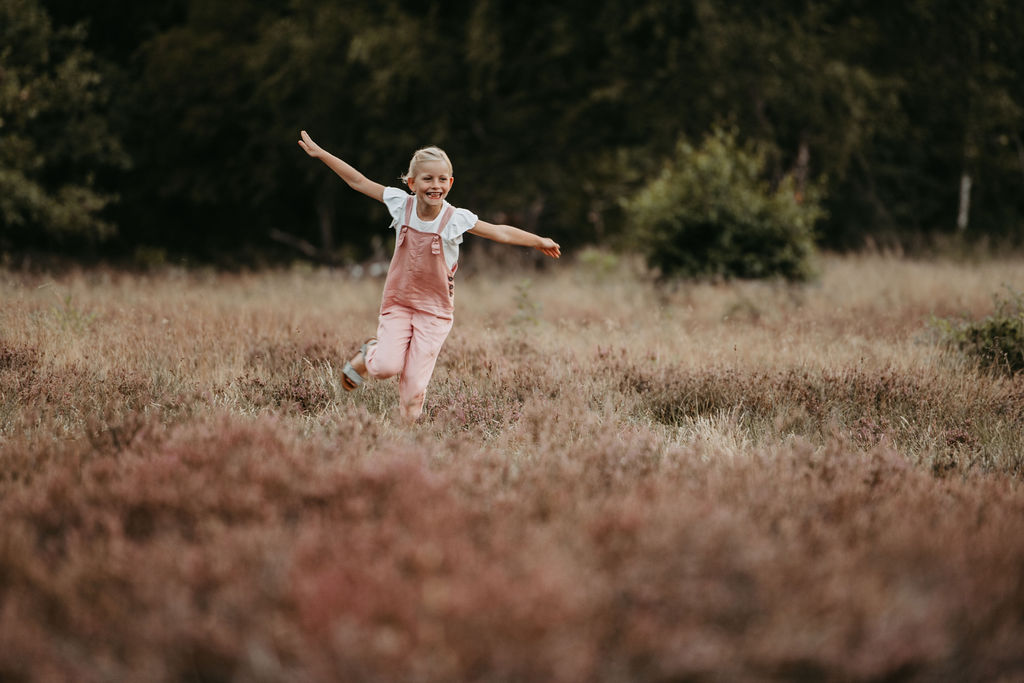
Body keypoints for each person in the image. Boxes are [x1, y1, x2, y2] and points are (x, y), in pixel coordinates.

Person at [297, 131, 561, 422]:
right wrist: (323, 155)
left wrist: (538, 240)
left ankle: (407, 441)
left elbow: (500, 231)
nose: (435, 186)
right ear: (411, 183)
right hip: (398, 302)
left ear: (450, 183)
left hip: (434, 313)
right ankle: (369, 353)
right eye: (427, 179)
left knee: (413, 389)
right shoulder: (401, 204)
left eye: (442, 179)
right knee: (385, 366)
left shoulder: (456, 218)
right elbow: (358, 181)